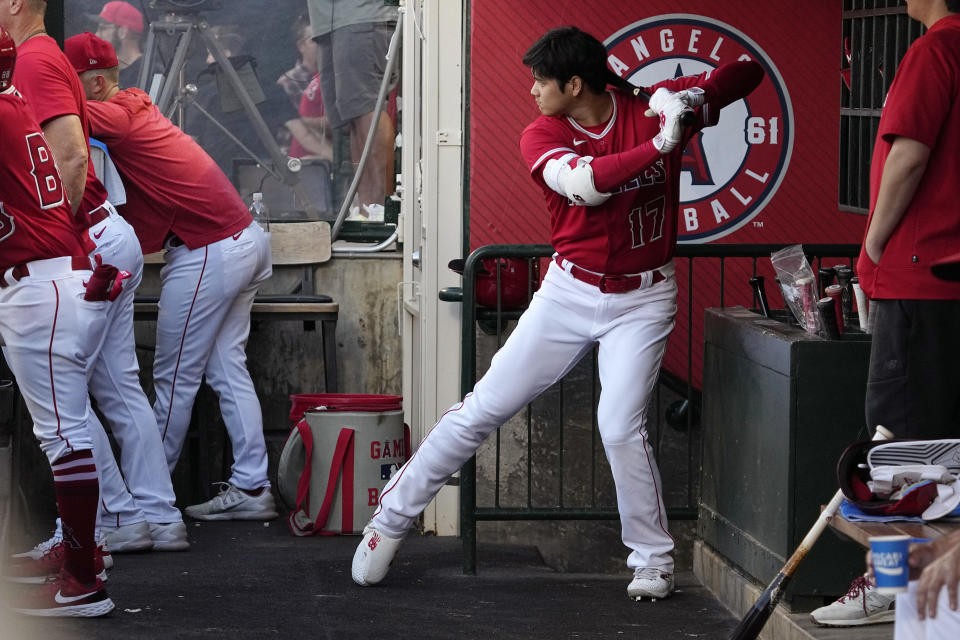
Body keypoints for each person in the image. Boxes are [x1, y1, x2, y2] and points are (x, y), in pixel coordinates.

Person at [350, 25, 763, 599]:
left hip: (642, 298)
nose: (533, 90)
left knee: (619, 427)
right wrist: (662, 145)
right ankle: (390, 520)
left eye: (542, 80)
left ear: (576, 83)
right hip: (568, 292)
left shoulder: (650, 107)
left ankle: (653, 560)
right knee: (481, 409)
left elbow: (749, 72)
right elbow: (585, 185)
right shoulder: (542, 131)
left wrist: (692, 97)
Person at [65, 32, 278, 521]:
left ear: (96, 83)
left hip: (211, 250)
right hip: (243, 240)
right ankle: (252, 486)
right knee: (226, 369)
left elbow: (63, 112)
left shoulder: (118, 112)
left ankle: (149, 504)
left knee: (173, 379)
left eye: (70, 82)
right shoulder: (135, 106)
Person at [0, 0, 187, 558]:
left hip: (81, 238)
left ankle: (108, 521)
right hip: (102, 232)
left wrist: (56, 239)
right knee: (112, 387)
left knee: (67, 397)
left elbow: (73, 158)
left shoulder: (32, 60)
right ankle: (155, 515)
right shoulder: (42, 54)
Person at [810, 0, 960, 627]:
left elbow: (908, 156)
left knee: (900, 455)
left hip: (922, 277)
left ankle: (891, 582)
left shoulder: (936, 50)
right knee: (942, 449)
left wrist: (870, 253)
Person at [0, 24, 113, 617]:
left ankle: (81, 580)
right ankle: (84, 557)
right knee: (70, 431)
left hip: (39, 287)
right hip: (58, 277)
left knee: (64, 436)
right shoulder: (12, 101)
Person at [307, 0, 398, 219]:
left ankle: (379, 208)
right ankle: (366, 208)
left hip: (362, 14)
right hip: (329, 22)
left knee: (365, 107)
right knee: (351, 114)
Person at [94, 1, 149, 89]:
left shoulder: (149, 74)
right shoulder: (102, 73)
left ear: (123, 32)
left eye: (103, 28)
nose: (97, 34)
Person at [277, 13, 318, 110]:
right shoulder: (288, 82)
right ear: (301, 46)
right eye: (314, 40)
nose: (320, 44)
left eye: (324, 38)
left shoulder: (339, 69)